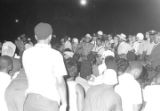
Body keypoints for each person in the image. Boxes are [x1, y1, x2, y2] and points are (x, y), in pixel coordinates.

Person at [22, 22, 67, 111]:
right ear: (50, 36)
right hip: (48, 102)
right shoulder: (55, 55)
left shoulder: (26, 53)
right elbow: (60, 83)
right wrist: (65, 103)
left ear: (35, 36)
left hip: (29, 101)